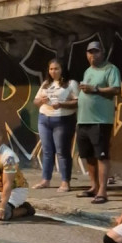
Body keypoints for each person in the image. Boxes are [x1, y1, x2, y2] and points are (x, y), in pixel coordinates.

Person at [76, 41, 122, 204]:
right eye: (90, 52)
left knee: (101, 155)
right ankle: (94, 187)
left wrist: (95, 89)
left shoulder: (110, 69)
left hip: (100, 121)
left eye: (96, 51)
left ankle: (103, 191)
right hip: (83, 120)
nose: (93, 55)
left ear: (102, 52)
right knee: (88, 156)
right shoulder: (88, 71)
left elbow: (116, 89)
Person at [33, 59, 79, 192]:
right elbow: (35, 101)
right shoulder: (46, 84)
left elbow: (77, 101)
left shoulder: (71, 84)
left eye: (56, 69)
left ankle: (65, 181)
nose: (53, 72)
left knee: (62, 151)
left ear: (62, 69)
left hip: (63, 119)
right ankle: (45, 180)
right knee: (47, 151)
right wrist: (41, 101)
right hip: (44, 118)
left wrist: (61, 104)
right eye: (51, 69)